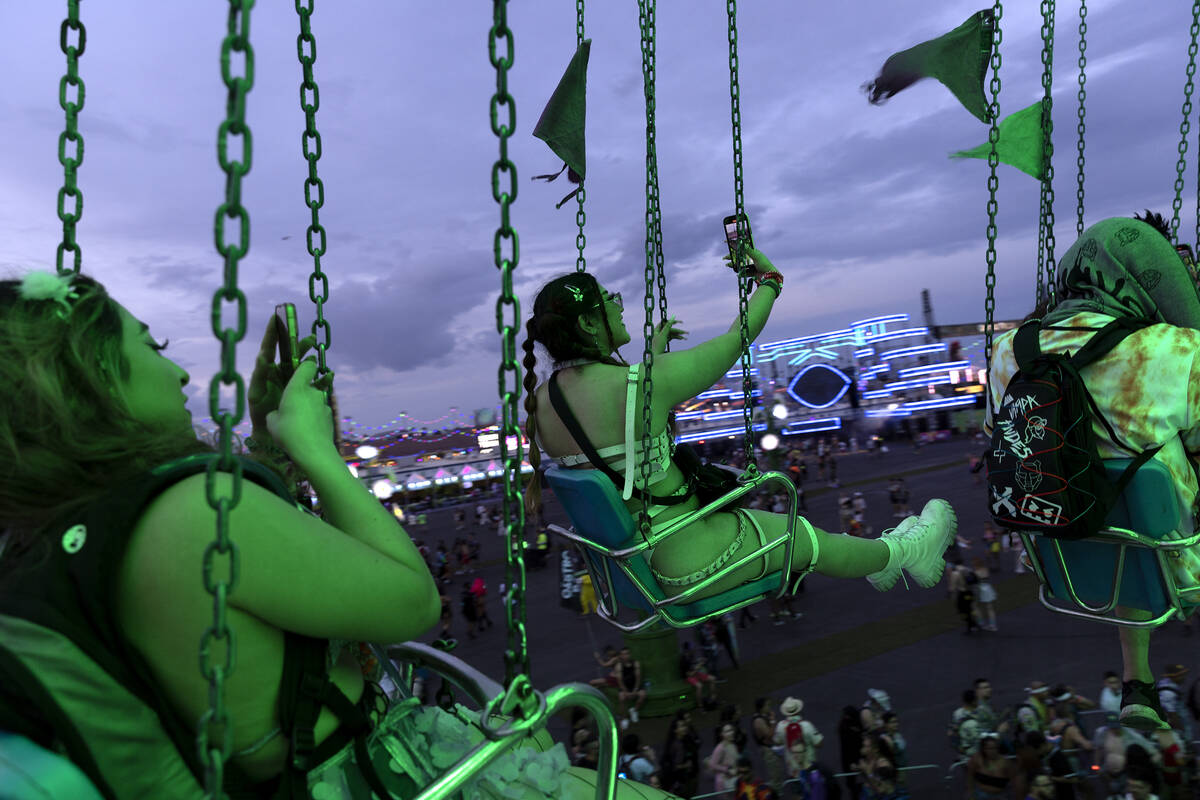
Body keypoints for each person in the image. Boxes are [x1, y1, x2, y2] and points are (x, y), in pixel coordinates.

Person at [0, 271, 669, 799]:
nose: (177, 374)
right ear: (89, 380)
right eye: (149, 345)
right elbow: (411, 603)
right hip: (383, 777)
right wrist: (316, 450)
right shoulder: (197, 511)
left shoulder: (54, 544)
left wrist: (265, 441)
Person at [520, 259, 959, 621]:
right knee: (805, 539)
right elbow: (737, 338)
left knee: (799, 535)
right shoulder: (641, 384)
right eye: (608, 300)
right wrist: (769, 281)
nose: (618, 305)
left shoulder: (541, 402)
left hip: (630, 568)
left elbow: (620, 428)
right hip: (689, 558)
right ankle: (904, 553)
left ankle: (882, 557)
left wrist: (655, 358)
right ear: (588, 324)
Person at [983, 212, 1200, 732]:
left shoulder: (1007, 353)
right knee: (1153, 486)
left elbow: (1001, 430)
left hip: (1066, 550)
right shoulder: (1175, 351)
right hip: (1176, 562)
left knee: (1126, 501)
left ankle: (1136, 680)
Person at [708, 722, 741, 795]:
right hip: (724, 783)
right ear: (722, 734)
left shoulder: (732, 744)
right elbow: (712, 765)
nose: (731, 733)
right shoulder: (720, 748)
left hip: (734, 779)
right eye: (727, 731)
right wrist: (727, 770)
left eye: (731, 730)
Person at [615, 646, 646, 724]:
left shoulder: (635, 663)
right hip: (625, 687)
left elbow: (638, 678)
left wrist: (635, 690)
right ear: (621, 656)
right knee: (621, 698)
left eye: (627, 654)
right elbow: (620, 681)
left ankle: (634, 710)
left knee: (643, 695)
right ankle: (624, 718)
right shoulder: (619, 666)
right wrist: (626, 692)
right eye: (623, 654)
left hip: (635, 686)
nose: (625, 656)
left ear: (630, 654)